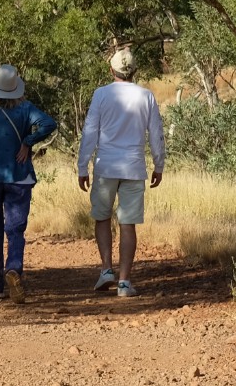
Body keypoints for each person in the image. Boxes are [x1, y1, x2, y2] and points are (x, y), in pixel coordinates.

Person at [0, 63, 59, 303]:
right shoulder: (26, 108)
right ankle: (14, 268)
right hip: (19, 176)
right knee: (15, 229)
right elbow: (49, 123)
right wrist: (28, 141)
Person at [75, 45, 165, 297]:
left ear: (111, 69)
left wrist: (83, 166)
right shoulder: (146, 96)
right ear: (134, 70)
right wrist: (159, 165)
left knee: (102, 217)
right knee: (128, 224)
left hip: (106, 166)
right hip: (134, 167)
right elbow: (156, 134)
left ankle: (106, 269)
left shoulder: (101, 94)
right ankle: (124, 282)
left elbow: (90, 132)